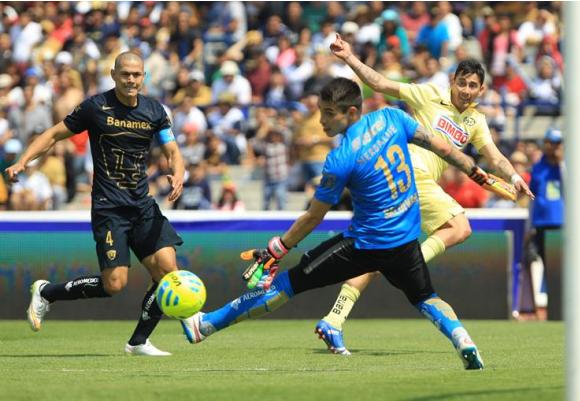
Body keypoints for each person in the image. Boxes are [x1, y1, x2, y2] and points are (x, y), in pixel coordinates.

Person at [181, 77, 492, 370]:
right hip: (406, 239)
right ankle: (462, 339)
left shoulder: (341, 158)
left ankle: (205, 325)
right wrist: (470, 167)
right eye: (321, 112)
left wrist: (278, 248)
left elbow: (315, 216)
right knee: (426, 298)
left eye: (329, 113)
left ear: (352, 111)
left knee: (290, 282)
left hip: (365, 245)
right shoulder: (391, 117)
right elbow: (443, 147)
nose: (322, 121)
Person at [315, 34, 534, 354]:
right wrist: (349, 57)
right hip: (410, 176)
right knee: (460, 226)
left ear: (482, 90)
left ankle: (334, 320)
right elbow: (380, 83)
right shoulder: (430, 94)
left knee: (375, 256)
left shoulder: (476, 121)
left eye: (474, 86)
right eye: (463, 83)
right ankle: (406, 264)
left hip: (403, 187)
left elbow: (495, 157)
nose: (467, 90)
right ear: (452, 81)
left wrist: (513, 176)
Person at [5, 51, 186, 356]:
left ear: (144, 77)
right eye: (125, 74)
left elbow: (173, 150)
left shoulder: (155, 110)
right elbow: (53, 135)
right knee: (115, 284)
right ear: (114, 74)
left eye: (137, 74)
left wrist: (178, 174)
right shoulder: (95, 107)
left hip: (142, 205)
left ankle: (139, 341)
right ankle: (46, 291)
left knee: (169, 271)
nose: (131, 80)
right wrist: (22, 161)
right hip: (109, 207)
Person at [524, 128, 564, 320]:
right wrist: (529, 226)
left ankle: (563, 307)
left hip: (562, 224)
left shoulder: (566, 166)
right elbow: (532, 198)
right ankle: (543, 310)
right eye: (549, 142)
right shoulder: (539, 167)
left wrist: (562, 162)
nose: (552, 147)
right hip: (541, 224)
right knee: (539, 265)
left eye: (556, 143)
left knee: (562, 268)